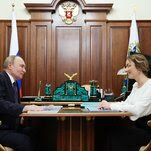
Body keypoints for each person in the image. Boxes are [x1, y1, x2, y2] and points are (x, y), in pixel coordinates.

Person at [98, 53, 151, 151]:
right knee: (106, 130)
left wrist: (111, 106)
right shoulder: (136, 86)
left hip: (147, 132)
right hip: (137, 128)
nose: (126, 69)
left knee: (113, 137)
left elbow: (137, 110)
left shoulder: (150, 86)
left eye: (129, 65)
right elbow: (126, 104)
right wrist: (109, 105)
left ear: (139, 67)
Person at [0, 55, 44, 151]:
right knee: (25, 141)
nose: (24, 70)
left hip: (12, 127)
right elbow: (1, 103)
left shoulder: (14, 83)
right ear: (10, 66)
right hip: (2, 129)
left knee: (36, 133)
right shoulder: (1, 78)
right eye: (22, 66)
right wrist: (24, 108)